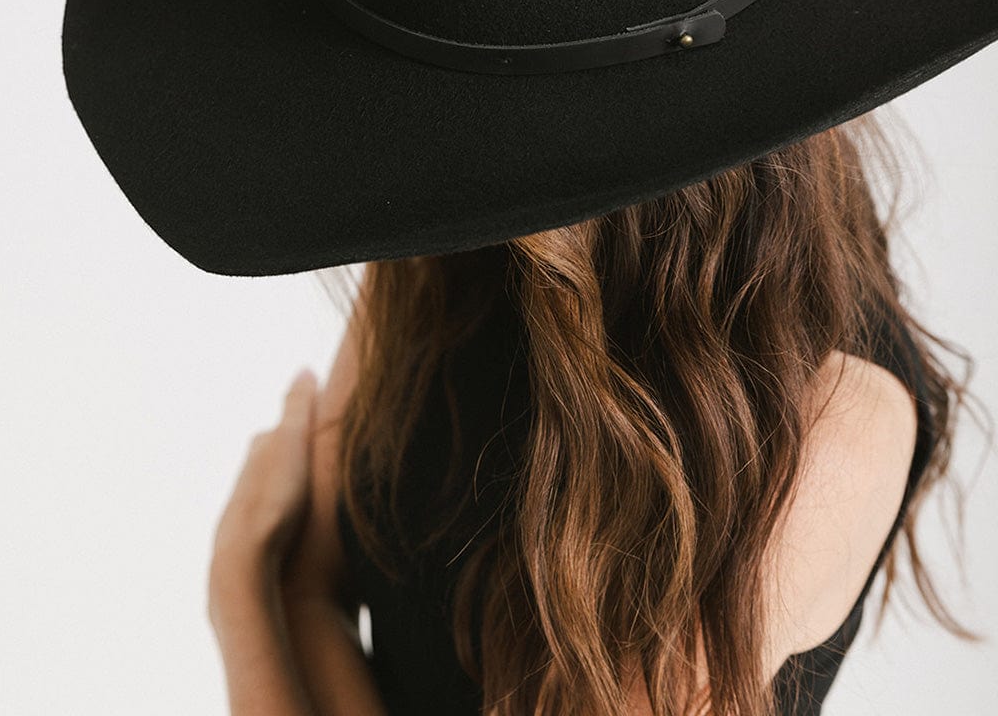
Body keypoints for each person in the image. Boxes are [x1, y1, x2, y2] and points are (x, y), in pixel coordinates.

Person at [62, 0, 998, 715]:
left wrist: (258, 608)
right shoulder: (459, 253)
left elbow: (307, 596)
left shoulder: (809, 439)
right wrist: (280, 609)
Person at [207, 110, 982, 716]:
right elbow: (312, 587)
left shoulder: (826, 420)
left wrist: (242, 592)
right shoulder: (443, 246)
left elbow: (298, 597)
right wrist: (264, 597)